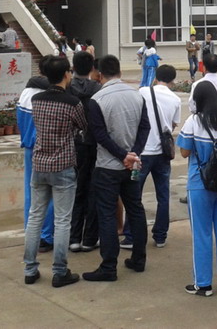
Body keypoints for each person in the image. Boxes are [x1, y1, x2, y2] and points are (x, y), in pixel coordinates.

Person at [83, 55, 151, 282]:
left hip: (107, 167)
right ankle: (139, 259)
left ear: (99, 74)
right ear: (120, 72)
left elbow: (99, 135)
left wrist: (123, 155)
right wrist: (134, 154)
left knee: (106, 214)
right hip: (132, 165)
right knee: (135, 209)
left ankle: (108, 266)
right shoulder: (137, 95)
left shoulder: (97, 100)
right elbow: (145, 127)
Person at [23, 56, 87, 288]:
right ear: (66, 75)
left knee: (35, 217)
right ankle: (60, 271)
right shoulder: (72, 103)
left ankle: (30, 269)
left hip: (39, 164)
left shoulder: (36, 100)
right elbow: (83, 126)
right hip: (63, 165)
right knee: (62, 220)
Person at [179, 81, 217, 296]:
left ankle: (203, 284)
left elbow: (184, 152)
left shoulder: (193, 121)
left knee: (201, 233)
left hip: (199, 183)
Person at [122, 64, 181, 250]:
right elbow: (172, 125)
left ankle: (131, 236)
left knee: (134, 195)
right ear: (173, 80)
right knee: (163, 195)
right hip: (163, 154)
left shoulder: (143, 92)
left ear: (155, 77)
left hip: (142, 152)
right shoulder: (175, 99)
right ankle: (160, 236)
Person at [17, 56, 55, 254]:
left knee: (31, 192)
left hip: (29, 148)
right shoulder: (50, 94)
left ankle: (31, 232)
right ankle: (46, 236)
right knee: (51, 194)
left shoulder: (26, 92)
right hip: (47, 149)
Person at [68, 51, 102, 252]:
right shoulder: (98, 89)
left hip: (74, 144)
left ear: (73, 67)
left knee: (76, 189)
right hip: (95, 143)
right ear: (92, 68)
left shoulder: (67, 89)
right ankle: (90, 238)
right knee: (93, 189)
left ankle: (74, 237)